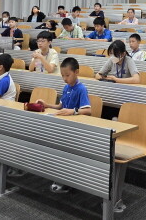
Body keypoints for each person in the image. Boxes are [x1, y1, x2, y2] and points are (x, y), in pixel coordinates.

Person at [37, 57, 91, 194]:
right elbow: (60, 106)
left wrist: (73, 111)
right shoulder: (66, 87)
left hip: (76, 128)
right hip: (64, 125)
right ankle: (58, 175)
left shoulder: (81, 89)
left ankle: (67, 180)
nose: (65, 78)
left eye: (67, 75)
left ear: (76, 72)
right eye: (62, 76)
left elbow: (88, 111)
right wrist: (47, 105)